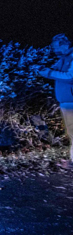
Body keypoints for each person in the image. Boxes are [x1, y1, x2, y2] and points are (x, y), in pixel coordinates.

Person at [38, 33, 73, 168]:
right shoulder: (64, 58)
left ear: (65, 45)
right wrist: (43, 69)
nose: (54, 51)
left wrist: (47, 72)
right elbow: (55, 71)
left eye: (56, 47)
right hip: (66, 100)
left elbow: (70, 77)